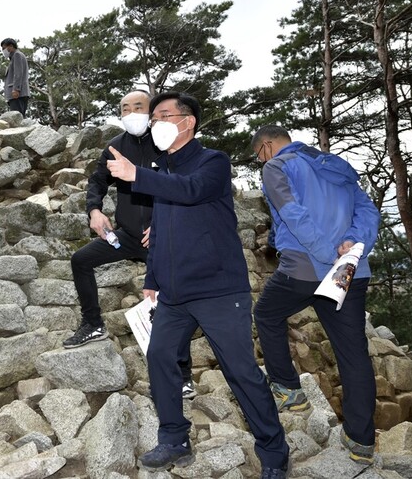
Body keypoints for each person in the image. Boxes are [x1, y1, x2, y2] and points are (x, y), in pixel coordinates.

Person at [107, 92, 289, 477]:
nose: (155, 123)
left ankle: (274, 454)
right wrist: (153, 278)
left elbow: (191, 192)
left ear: (187, 122)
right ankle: (174, 439)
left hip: (220, 291)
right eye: (152, 118)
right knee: (159, 357)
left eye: (163, 116)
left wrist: (137, 175)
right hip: (174, 295)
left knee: (240, 372)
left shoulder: (213, 162)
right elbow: (159, 234)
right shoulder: (165, 173)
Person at [250, 125, 380, 465]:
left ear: (266, 146)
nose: (260, 160)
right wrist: (350, 245)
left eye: (258, 155)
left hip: (306, 269)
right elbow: (368, 213)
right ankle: (361, 441)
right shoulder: (336, 165)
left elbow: (293, 214)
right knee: (353, 354)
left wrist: (326, 254)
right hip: (351, 273)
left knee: (265, 313)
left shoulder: (277, 166)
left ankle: (290, 391)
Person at [64, 89, 196, 399]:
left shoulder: (166, 144)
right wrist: (94, 211)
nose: (131, 112)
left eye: (139, 106)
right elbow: (97, 181)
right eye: (125, 108)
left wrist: (165, 226)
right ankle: (93, 323)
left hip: (162, 239)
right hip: (125, 236)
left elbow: (184, 189)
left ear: (152, 111)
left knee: (168, 301)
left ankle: (183, 375)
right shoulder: (115, 146)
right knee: (80, 260)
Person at [0, 37, 30, 116]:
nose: (3, 51)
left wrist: (16, 89)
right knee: (19, 118)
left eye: (4, 48)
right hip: (18, 94)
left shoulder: (17, 55)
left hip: (17, 94)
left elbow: (18, 73)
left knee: (17, 119)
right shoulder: (14, 57)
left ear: (11, 46)